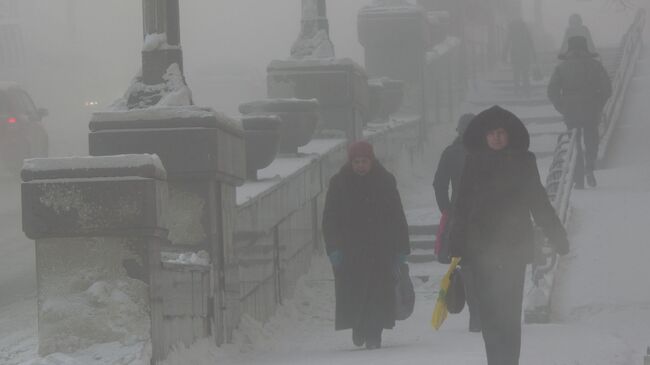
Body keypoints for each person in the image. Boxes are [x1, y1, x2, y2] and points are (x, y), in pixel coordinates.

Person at [448, 106, 570, 365]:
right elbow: (462, 205)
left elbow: (539, 201)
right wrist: (456, 243)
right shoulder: (473, 162)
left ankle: (509, 361)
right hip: (481, 249)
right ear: (484, 137)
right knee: (490, 312)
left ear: (509, 134)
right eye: (492, 133)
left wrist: (557, 235)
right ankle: (496, 360)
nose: (497, 138)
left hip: (513, 247)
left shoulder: (524, 162)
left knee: (510, 313)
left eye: (501, 132)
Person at [322, 140, 410, 350]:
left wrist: (401, 249)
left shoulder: (385, 181)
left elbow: (397, 216)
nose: (360, 165)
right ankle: (358, 327)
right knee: (355, 293)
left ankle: (374, 333)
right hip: (351, 251)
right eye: (356, 162)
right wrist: (333, 248)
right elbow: (330, 218)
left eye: (364, 161)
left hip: (381, 249)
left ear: (372, 161)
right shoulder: (339, 183)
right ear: (350, 162)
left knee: (378, 294)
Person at [432, 113, 481, 332]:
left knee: (471, 267)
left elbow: (439, 184)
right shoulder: (485, 152)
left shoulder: (453, 153)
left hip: (468, 218)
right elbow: (439, 184)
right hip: (475, 219)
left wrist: (448, 209)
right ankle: (480, 313)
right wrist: (448, 210)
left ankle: (478, 314)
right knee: (476, 268)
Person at [548, 35, 612, 188]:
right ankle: (589, 168)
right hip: (591, 108)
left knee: (574, 143)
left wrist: (562, 107)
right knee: (592, 141)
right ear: (585, 49)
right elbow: (607, 89)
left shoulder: (561, 68)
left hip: (570, 111)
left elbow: (552, 91)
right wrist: (598, 104)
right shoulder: (595, 65)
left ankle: (578, 178)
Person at [503, 19, 537, 97]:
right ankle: (527, 91)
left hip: (515, 56)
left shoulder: (512, 32)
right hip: (525, 56)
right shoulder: (526, 31)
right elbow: (531, 43)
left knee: (516, 75)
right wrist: (534, 55)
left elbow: (507, 44)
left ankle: (516, 91)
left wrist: (504, 55)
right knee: (525, 75)